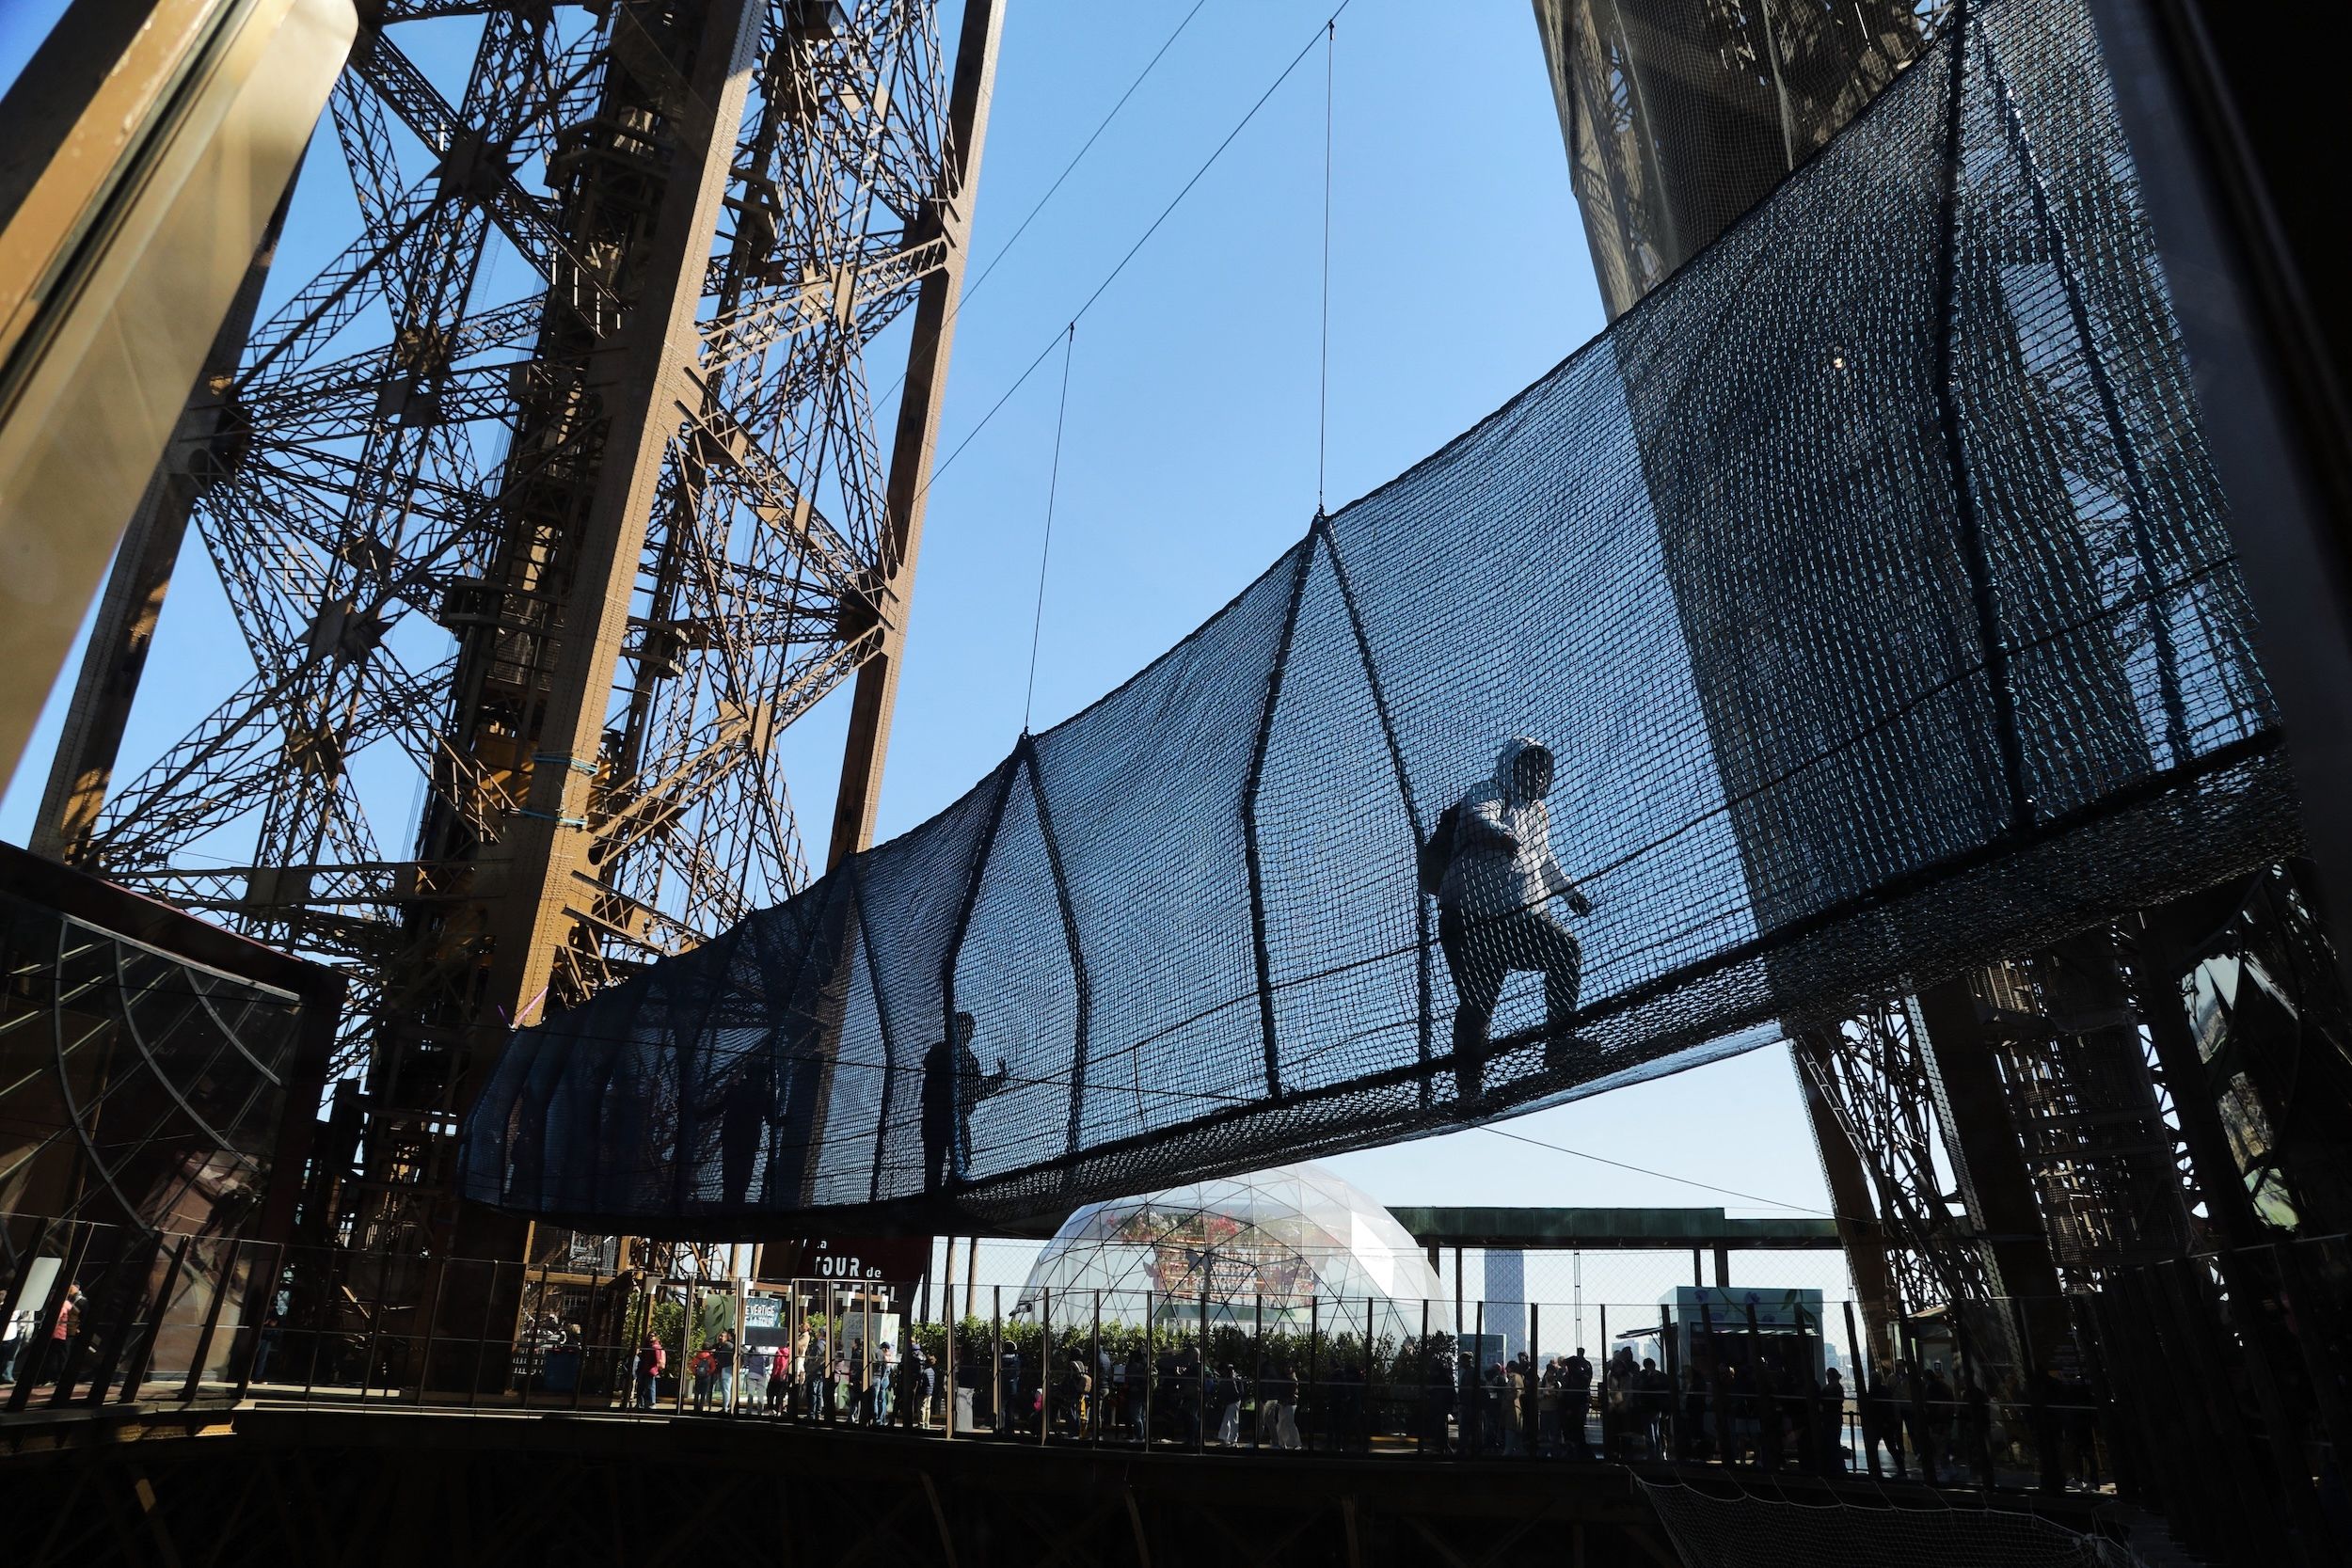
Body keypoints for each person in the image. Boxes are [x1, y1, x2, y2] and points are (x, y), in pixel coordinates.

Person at [1426, 738, 1593, 1102]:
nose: (1539, 775)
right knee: (1477, 1005)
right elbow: (1478, 814)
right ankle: (1470, 1091)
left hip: (1518, 921)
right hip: (1471, 922)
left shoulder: (1539, 814)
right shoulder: (1491, 790)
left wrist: (1570, 894)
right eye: (1531, 766)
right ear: (1512, 765)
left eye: (1543, 770)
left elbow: (1544, 861)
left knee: (1565, 951)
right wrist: (1501, 833)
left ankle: (1559, 1045)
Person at [921, 1012, 1011, 1195]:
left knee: (962, 1158)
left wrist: (999, 1078)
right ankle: (934, 1200)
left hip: (957, 1118)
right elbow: (929, 1063)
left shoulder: (970, 1060)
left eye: (970, 1029)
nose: (969, 1033)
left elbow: (977, 1090)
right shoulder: (940, 1050)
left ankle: (946, 1196)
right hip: (936, 1116)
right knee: (935, 1164)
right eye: (965, 1028)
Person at [1563, 1347, 1593, 1459]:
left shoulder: (1573, 1377)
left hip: (1573, 1408)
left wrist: (1569, 1408)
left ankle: (1575, 1451)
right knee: (1578, 1431)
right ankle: (1580, 1452)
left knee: (1573, 1430)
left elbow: (1572, 1395)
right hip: (1577, 1407)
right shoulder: (1583, 1373)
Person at [635, 1335, 665, 1410]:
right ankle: (643, 1404)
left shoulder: (655, 1347)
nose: (650, 1337)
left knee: (649, 1388)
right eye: (649, 1336)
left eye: (652, 1336)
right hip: (645, 1369)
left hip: (650, 1370)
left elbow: (657, 1360)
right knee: (643, 1388)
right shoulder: (648, 1346)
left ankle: (650, 1404)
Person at [691, 1345, 717, 1411]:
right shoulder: (710, 1357)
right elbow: (713, 1367)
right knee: (704, 1392)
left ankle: (695, 1406)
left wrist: (695, 1373)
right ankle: (701, 1406)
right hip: (706, 1376)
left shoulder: (697, 1356)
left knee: (697, 1391)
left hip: (698, 1376)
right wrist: (709, 1373)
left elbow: (692, 1365)